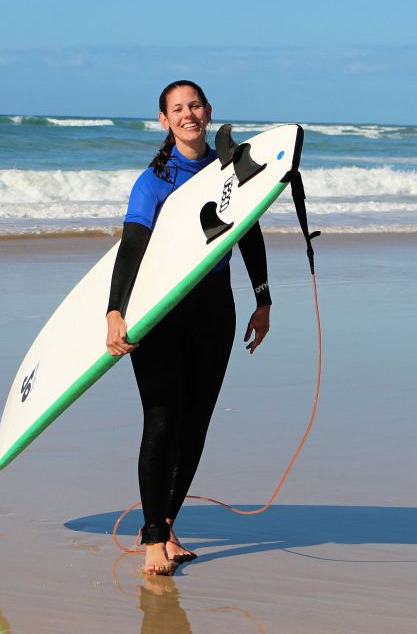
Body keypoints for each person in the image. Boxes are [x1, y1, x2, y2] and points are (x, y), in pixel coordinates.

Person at [106, 80, 272, 575]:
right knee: (161, 419)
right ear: (164, 120)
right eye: (177, 109)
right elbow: (131, 248)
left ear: (208, 110)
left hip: (214, 310)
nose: (188, 114)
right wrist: (115, 312)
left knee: (195, 423)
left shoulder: (232, 171)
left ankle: (165, 524)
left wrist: (262, 300)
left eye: (195, 105)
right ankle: (153, 540)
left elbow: (250, 234)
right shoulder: (152, 182)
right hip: (160, 311)